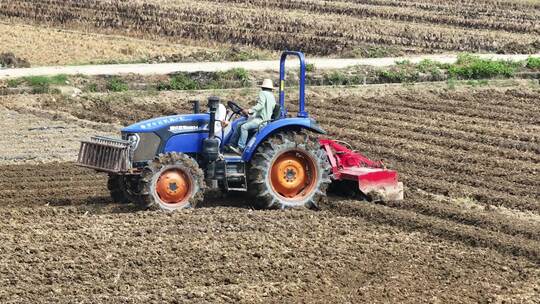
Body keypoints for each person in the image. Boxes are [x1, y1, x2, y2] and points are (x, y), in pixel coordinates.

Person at [227, 78, 276, 154]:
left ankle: (241, 148)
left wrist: (249, 111)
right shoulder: (272, 96)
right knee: (239, 124)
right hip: (265, 119)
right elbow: (264, 110)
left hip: (261, 120)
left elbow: (260, 105)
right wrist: (251, 114)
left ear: (262, 87)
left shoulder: (262, 93)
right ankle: (232, 145)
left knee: (244, 127)